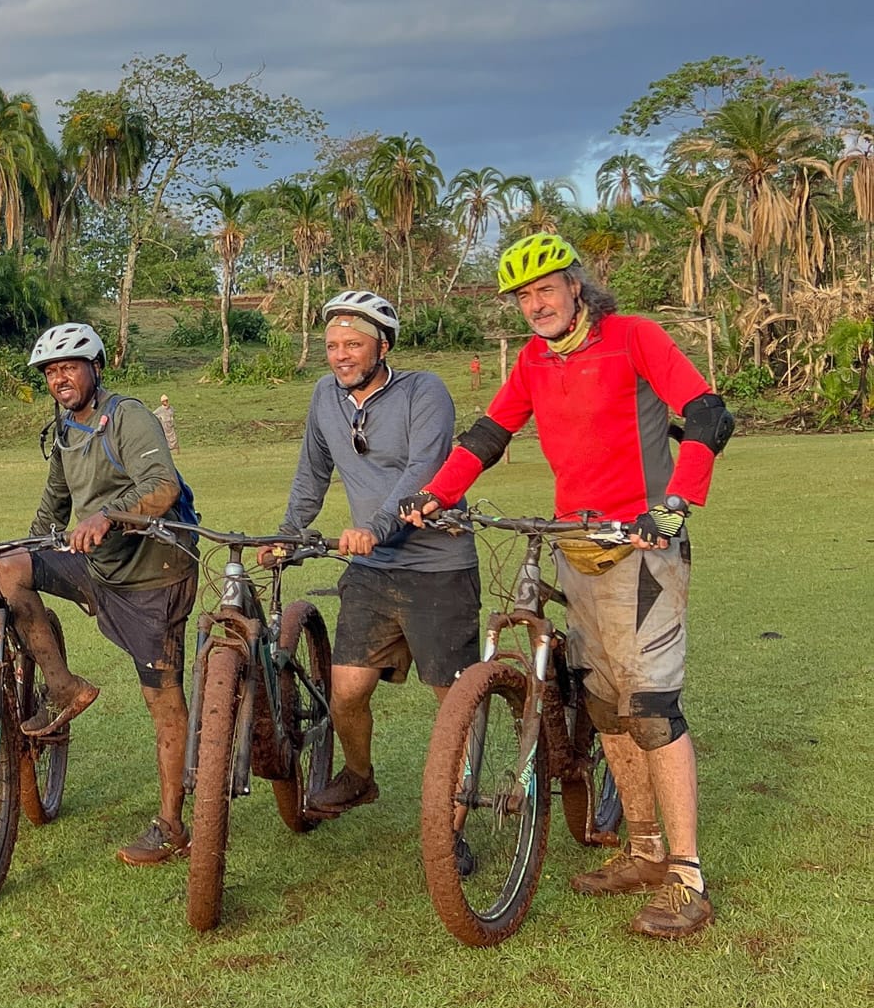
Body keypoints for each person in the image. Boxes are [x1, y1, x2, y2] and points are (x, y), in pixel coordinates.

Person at [400, 234, 733, 940]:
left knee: (650, 709)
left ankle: (687, 877)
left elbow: (707, 412)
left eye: (546, 288)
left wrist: (675, 502)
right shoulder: (532, 361)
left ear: (577, 286)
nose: (535, 305)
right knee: (607, 710)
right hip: (573, 548)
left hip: (642, 549)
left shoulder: (634, 338)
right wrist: (437, 492)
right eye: (523, 296)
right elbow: (489, 433)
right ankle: (642, 852)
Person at [269, 292, 480, 856]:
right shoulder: (324, 397)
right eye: (332, 345)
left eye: (353, 345)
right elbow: (311, 472)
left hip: (437, 566)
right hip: (372, 568)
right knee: (346, 692)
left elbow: (425, 468)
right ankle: (359, 776)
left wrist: (381, 525)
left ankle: (451, 830)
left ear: (382, 346)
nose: (339, 355)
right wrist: (289, 535)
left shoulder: (424, 391)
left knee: (453, 701)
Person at [0, 323, 198, 866]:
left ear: (95, 367)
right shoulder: (64, 430)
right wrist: (15, 546)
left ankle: (173, 824)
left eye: (69, 366)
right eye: (51, 371)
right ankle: (65, 688)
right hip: (98, 566)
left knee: (162, 698)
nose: (60, 378)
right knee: (9, 569)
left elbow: (163, 486)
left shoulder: (128, 416)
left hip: (155, 574)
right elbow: (52, 508)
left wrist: (108, 516)